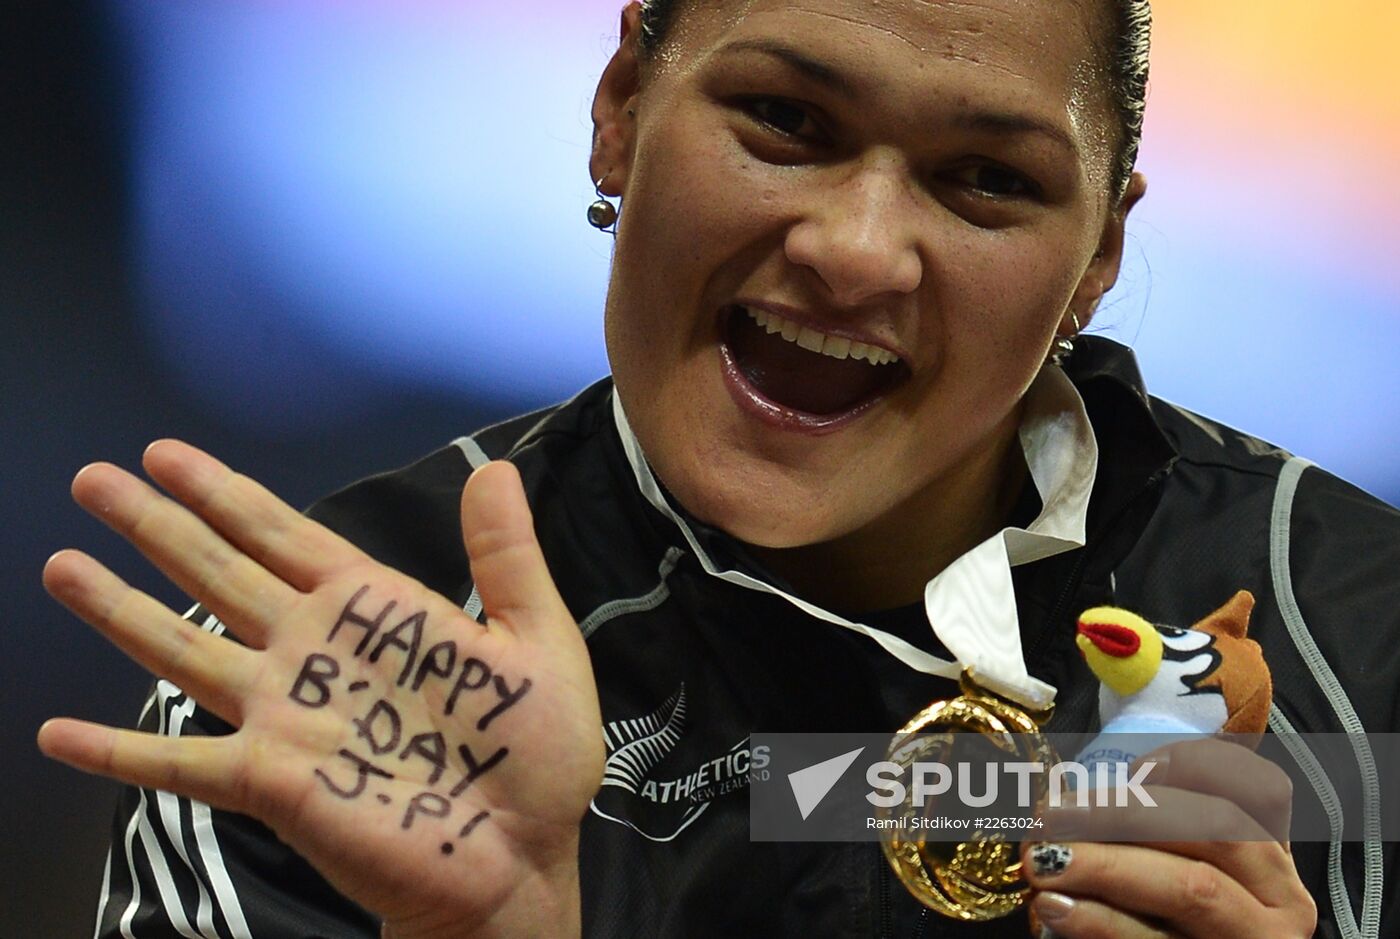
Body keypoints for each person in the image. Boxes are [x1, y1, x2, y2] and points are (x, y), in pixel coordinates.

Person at [37, 0, 1396, 936]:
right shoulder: (334, 689)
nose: (857, 249)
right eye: (785, 121)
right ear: (621, 109)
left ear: (1098, 254)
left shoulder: (1356, 636)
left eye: (985, 179)